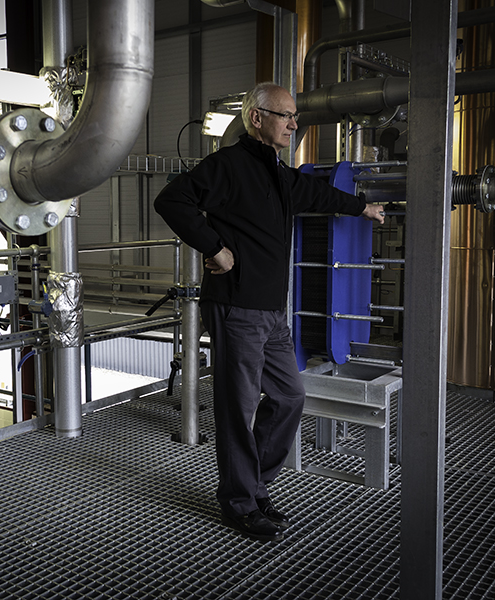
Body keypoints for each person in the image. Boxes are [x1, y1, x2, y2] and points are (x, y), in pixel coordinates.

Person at [154, 82, 385, 542]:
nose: (294, 124)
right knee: (238, 410)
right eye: (285, 115)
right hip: (237, 307)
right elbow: (171, 200)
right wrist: (214, 247)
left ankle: (254, 485)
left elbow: (319, 196)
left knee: (289, 398)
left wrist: (363, 208)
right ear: (256, 118)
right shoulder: (227, 167)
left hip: (273, 314)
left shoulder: (279, 174)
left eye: (295, 116)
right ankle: (239, 502)